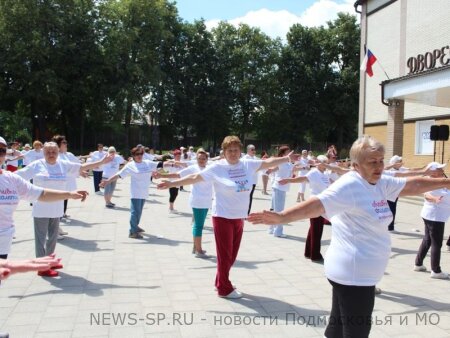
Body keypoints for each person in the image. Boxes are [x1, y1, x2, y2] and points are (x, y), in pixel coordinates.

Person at [248, 135, 450, 338]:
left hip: (357, 273)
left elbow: (411, 185)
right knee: (357, 331)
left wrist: (446, 182)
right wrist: (282, 217)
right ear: (355, 165)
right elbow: (318, 204)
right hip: (354, 275)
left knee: (337, 328)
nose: (379, 166)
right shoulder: (350, 185)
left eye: (381, 160)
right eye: (372, 162)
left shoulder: (379, 181)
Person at [157, 135, 298, 299]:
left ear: (240, 151)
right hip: (222, 216)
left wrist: (286, 158)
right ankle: (224, 288)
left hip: (239, 217)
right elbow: (195, 177)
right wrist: (171, 183)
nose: (233, 153)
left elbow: (267, 163)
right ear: (223, 152)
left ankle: (220, 281)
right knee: (225, 256)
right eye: (229, 150)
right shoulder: (217, 167)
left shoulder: (247, 164)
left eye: (236, 150)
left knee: (232, 255)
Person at [16, 142, 113, 277]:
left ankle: (49, 261)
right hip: (41, 208)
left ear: (57, 152)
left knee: (53, 237)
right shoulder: (37, 165)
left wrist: (101, 161)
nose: (51, 154)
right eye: (48, 152)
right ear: (43, 153)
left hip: (57, 208)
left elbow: (82, 166)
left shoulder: (62, 164)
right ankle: (41, 267)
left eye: (54, 152)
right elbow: (17, 176)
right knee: (41, 238)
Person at [154, 149, 213, 257]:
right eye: (199, 158)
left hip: (207, 200)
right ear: (196, 159)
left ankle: (195, 247)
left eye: (203, 158)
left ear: (207, 159)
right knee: (198, 225)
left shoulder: (210, 168)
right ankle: (198, 250)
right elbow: (177, 175)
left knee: (199, 224)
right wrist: (162, 176)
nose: (201, 160)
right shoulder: (193, 168)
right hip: (197, 200)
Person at [278, 155, 332, 261]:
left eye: (327, 162)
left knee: (314, 228)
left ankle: (308, 252)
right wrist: (288, 180)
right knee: (317, 229)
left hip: (323, 203)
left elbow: (330, 185)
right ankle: (315, 255)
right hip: (315, 203)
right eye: (324, 162)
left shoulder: (324, 174)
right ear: (318, 162)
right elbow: (302, 178)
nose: (326, 164)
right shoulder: (314, 172)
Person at [100, 146, 159, 239]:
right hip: (136, 192)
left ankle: (136, 226)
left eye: (141, 154)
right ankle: (132, 232)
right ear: (133, 156)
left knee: (139, 211)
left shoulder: (147, 163)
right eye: (137, 154)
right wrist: (107, 181)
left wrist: (172, 163)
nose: (139, 156)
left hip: (144, 192)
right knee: (135, 212)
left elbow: (160, 165)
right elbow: (118, 175)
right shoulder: (130, 165)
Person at [414, 162, 449, 279]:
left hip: (435, 215)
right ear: (433, 171)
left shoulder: (443, 179)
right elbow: (426, 195)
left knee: (428, 239)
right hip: (434, 216)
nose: (442, 170)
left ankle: (418, 264)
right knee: (436, 243)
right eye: (439, 168)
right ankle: (436, 271)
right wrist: (435, 199)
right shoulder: (429, 181)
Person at [268, 145, 294, 237]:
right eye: (288, 152)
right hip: (279, 187)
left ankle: (271, 228)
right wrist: (269, 171)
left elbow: (293, 169)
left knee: (274, 209)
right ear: (283, 153)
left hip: (282, 188)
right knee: (279, 210)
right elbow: (273, 168)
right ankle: (278, 232)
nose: (290, 153)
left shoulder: (287, 162)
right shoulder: (281, 161)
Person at [243, 144, 259, 214]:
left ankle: (247, 213)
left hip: (253, 181)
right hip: (246, 181)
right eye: (252, 149)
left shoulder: (256, 158)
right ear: (248, 150)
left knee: (250, 197)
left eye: (254, 149)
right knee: (244, 197)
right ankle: (242, 212)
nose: (254, 151)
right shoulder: (245, 158)